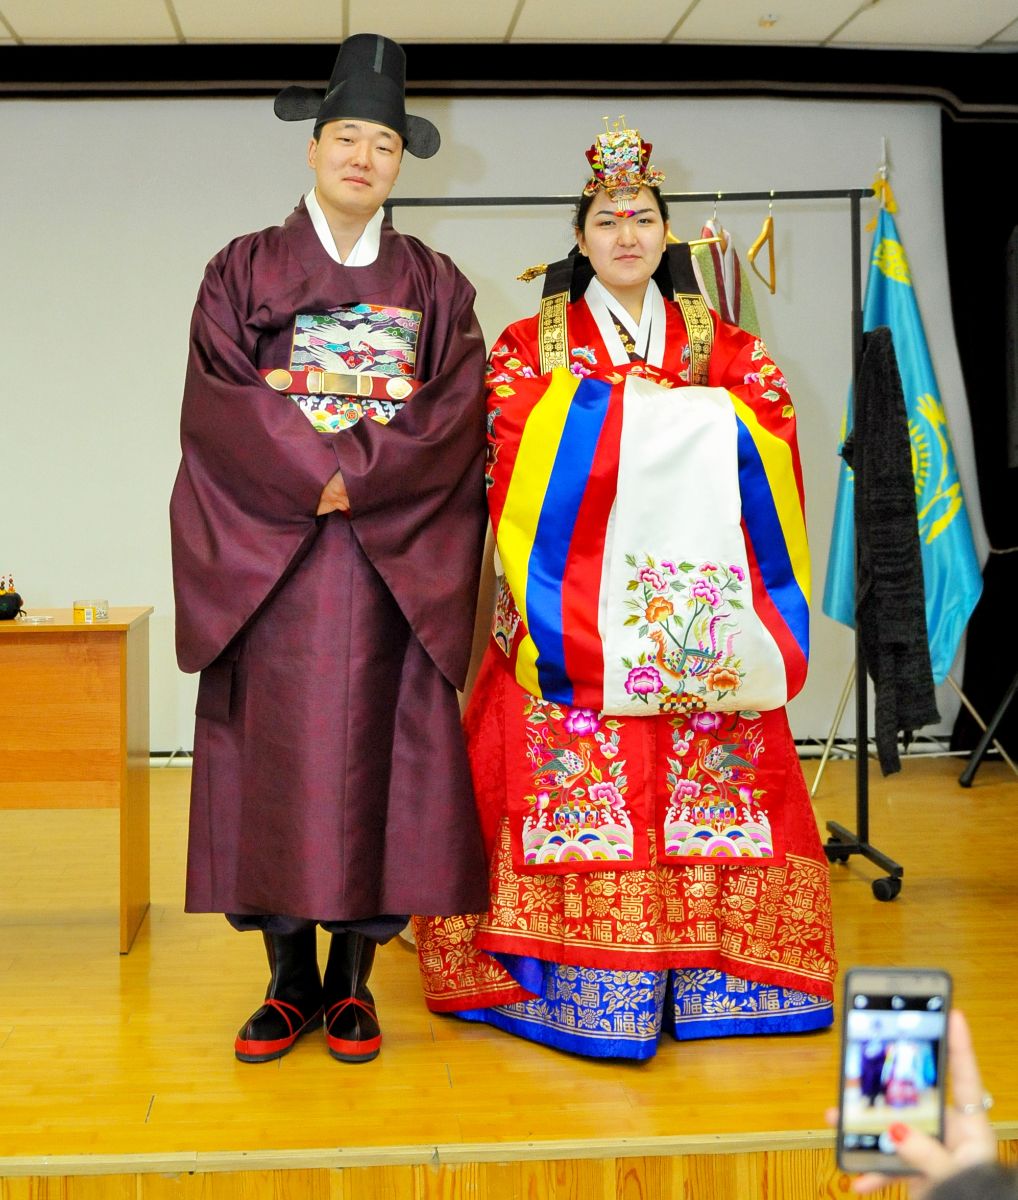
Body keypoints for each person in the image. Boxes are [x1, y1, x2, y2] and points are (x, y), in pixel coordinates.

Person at [413, 120, 836, 1059]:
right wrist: (678, 422)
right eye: (608, 221)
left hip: (692, 625)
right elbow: (516, 430)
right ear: (581, 238)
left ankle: (719, 970)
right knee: (561, 776)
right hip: (571, 618)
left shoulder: (718, 343)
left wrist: (625, 423)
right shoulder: (532, 343)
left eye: (643, 218)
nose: (628, 236)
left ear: (667, 232)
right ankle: (563, 978)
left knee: (713, 781)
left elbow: (766, 411)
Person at [169, 33, 489, 1065]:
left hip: (390, 559)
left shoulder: (436, 285)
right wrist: (323, 472)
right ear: (312, 149)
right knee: (275, 761)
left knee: (382, 761)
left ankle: (354, 982)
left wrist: (363, 471)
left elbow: (452, 410)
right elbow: (219, 400)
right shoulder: (242, 268)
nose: (363, 156)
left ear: (402, 164)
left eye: (384, 143)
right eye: (345, 136)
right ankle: (285, 979)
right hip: (273, 559)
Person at [839, 1010, 1010, 1199]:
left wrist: (963, 1188)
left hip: (905, 1075)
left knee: (904, 1092)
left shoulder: (909, 1047)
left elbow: (912, 1063)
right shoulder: (881, 1047)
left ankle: (902, 1106)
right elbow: (888, 1062)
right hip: (885, 1075)